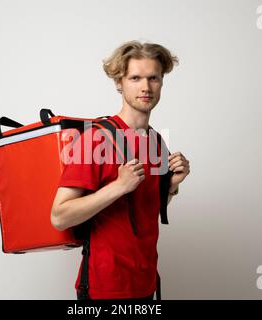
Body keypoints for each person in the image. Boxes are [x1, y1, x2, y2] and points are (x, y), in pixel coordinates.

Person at [51, 40, 190, 300]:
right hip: (106, 288)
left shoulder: (157, 142)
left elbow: (144, 208)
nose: (146, 87)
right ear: (119, 83)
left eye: (153, 78)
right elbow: (59, 216)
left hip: (146, 284)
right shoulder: (95, 138)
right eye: (135, 77)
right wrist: (118, 186)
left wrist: (171, 186)